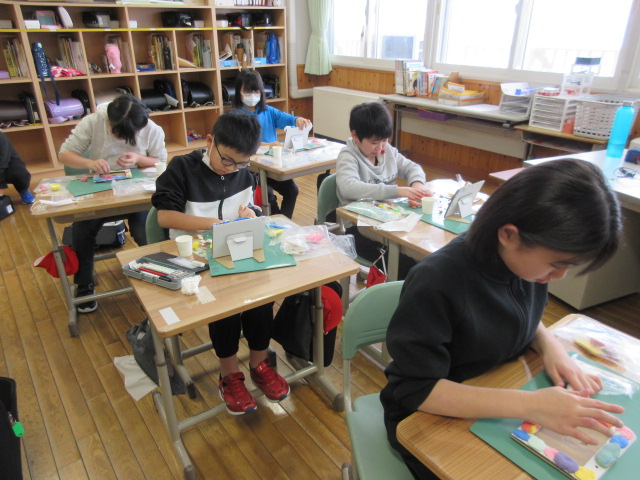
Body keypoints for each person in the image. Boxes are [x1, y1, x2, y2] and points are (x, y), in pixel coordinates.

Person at [380, 158, 624, 479]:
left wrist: (550, 346)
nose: (560, 276)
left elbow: (511, 313)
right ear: (509, 235)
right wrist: (531, 405)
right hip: (430, 417)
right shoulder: (437, 281)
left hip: (497, 386)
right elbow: (416, 390)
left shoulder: (522, 266)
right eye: (557, 264)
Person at [152, 109, 289, 415]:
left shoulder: (243, 171)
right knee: (223, 306)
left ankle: (258, 364)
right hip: (195, 257)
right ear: (210, 142)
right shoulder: (182, 168)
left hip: (234, 249)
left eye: (242, 163)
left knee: (260, 295)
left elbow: (247, 206)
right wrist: (215, 224)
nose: (232, 169)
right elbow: (165, 216)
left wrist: (251, 213)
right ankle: (228, 373)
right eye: (227, 160)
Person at [59, 95, 167, 313]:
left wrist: (138, 159)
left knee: (147, 229)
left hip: (136, 193)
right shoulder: (93, 121)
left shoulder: (151, 128)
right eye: (116, 133)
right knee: (82, 231)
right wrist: (90, 163)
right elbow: (65, 155)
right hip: (99, 192)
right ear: (109, 121)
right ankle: (84, 283)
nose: (120, 138)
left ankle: (160, 274)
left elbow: (160, 161)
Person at [336, 101, 431, 280]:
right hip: (360, 231)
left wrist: (417, 184)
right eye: (374, 142)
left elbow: (412, 168)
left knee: (424, 255)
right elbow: (348, 187)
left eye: (385, 140)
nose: (380, 147)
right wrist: (396, 191)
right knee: (409, 267)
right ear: (355, 135)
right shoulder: (348, 156)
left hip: (390, 224)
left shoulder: (387, 151)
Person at [232, 69, 311, 219]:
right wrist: (268, 145)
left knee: (292, 190)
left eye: (256, 91)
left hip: (272, 165)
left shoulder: (268, 111)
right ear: (239, 92)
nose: (252, 95)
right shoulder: (236, 117)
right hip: (250, 169)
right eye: (248, 91)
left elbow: (288, 119)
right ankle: (278, 223)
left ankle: (284, 223)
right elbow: (241, 145)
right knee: (268, 198)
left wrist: (298, 120)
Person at [0, 132, 34, 204]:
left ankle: (23, 191)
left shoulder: (1, 137)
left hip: (7, 166)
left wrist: (0, 186)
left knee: (19, 173)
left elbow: (3, 160)